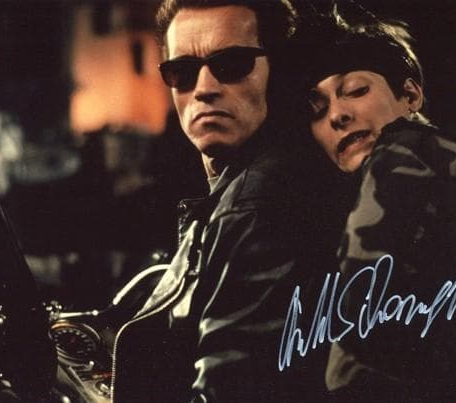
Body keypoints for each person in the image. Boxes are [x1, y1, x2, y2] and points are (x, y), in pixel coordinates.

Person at [297, 12, 456, 401]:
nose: (337, 116)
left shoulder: (401, 150)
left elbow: (358, 355)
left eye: (356, 90)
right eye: (317, 110)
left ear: (411, 95)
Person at [111, 1, 343, 401]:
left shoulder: (262, 203)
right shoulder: (247, 187)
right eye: (182, 72)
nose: (203, 88)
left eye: (232, 64)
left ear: (278, 73)